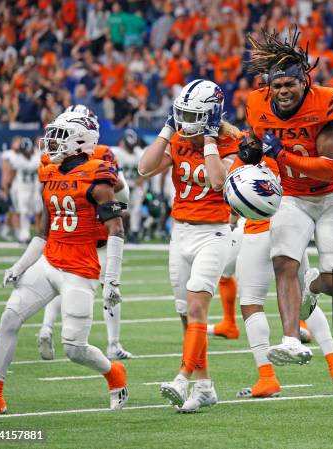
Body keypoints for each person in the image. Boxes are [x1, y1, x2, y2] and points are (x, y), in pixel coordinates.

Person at [0, 110, 128, 416]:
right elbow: (43, 231)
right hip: (49, 261)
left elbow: (117, 228)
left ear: (80, 141)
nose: (51, 143)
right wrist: (20, 265)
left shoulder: (97, 176)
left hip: (79, 270)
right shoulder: (50, 172)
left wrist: (112, 279)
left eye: (59, 136)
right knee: (9, 319)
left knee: (74, 348)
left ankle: (114, 374)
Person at [241, 28, 333, 365]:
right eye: (277, 85)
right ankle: (290, 339)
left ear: (304, 81)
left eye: (290, 83)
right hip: (291, 197)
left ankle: (312, 287)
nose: (284, 91)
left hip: (330, 196)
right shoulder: (256, 104)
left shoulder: (326, 100)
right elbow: (256, 148)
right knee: (283, 263)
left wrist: (283, 155)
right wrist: (251, 153)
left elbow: (329, 169)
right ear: (268, 87)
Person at [138, 79, 238, 413]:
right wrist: (167, 130)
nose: (184, 120)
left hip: (214, 233)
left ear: (211, 115)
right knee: (186, 315)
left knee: (197, 309)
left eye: (191, 115)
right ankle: (205, 385)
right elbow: (144, 167)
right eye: (180, 113)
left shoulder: (231, 140)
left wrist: (209, 139)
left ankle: (182, 377)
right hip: (180, 232)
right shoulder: (179, 137)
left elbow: (218, 181)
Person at [233, 136, 333, 397]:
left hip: (262, 228)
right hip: (293, 227)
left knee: (251, 302)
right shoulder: (290, 148)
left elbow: (229, 187)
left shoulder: (250, 149)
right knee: (305, 301)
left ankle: (267, 378)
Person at [37, 104, 133, 361]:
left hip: (65, 233)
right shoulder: (101, 154)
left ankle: (46, 327)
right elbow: (122, 190)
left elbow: (47, 201)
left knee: (57, 283)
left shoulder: (53, 155)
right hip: (94, 237)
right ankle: (112, 343)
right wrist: (121, 207)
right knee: (108, 287)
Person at [5, 137, 42, 243]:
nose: (25, 152)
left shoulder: (37, 158)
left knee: (39, 210)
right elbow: (12, 173)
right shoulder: (18, 159)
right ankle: (25, 234)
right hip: (22, 188)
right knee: (24, 212)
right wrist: (8, 186)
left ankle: (40, 232)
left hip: (35, 188)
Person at [112, 129, 145, 242]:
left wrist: (140, 180)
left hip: (134, 186)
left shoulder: (139, 154)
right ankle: (121, 232)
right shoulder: (117, 152)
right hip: (120, 187)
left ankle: (134, 233)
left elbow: (145, 169)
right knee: (121, 211)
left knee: (136, 209)